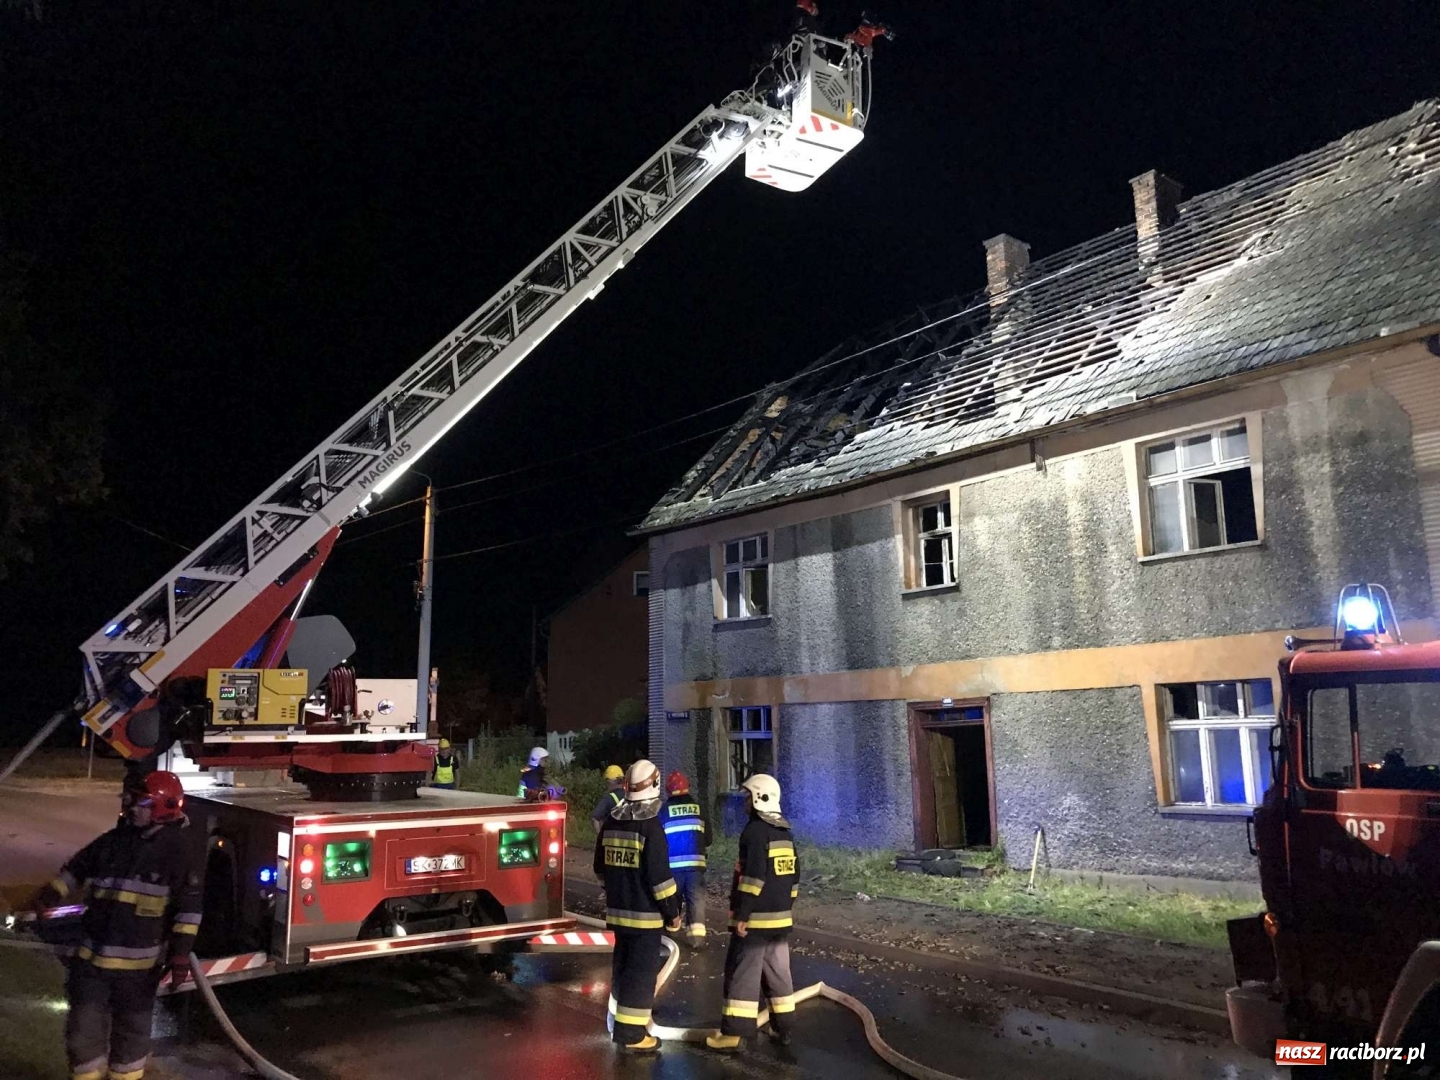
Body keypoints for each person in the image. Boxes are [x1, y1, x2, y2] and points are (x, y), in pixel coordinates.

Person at [36, 771, 203, 1080]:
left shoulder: (177, 854)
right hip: (92, 964)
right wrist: (54, 890)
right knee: (82, 1036)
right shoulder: (115, 840)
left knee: (131, 1041)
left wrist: (180, 955)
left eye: (141, 803)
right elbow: (79, 866)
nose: (130, 808)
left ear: (163, 807)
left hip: (138, 972)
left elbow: (188, 911)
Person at [594, 759, 682, 1054]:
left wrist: (617, 892)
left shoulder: (612, 822)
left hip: (618, 915)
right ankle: (632, 1035)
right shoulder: (651, 828)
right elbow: (660, 880)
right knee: (640, 975)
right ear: (655, 784)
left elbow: (599, 868)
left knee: (622, 969)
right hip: (645, 918)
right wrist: (673, 913)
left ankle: (617, 1025)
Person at [706, 773, 799, 1052]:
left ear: (760, 798)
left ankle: (733, 1034)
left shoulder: (755, 832)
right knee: (779, 975)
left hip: (756, 920)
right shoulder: (785, 832)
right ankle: (784, 1029)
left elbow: (753, 878)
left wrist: (743, 915)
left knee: (742, 974)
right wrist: (785, 907)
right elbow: (794, 879)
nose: (745, 801)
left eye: (748, 796)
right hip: (781, 919)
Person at [661, 771, 710, 945]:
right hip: (696, 867)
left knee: (672, 900)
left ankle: (670, 935)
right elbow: (708, 839)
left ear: (668, 790)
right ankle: (697, 939)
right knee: (696, 901)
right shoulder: (698, 809)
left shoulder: (664, 811)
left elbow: (658, 840)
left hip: (672, 868)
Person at [590, 765, 625, 836]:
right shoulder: (631, 796)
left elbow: (595, 819)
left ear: (609, 782)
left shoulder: (608, 799)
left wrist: (600, 838)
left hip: (612, 842)